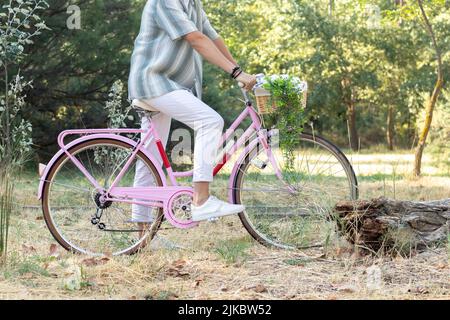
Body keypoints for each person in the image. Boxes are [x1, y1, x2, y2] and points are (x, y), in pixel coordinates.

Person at [128, 0, 257, 223]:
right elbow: (196, 39)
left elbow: (212, 38)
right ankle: (201, 200)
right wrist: (236, 73)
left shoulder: (192, 4)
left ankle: (142, 236)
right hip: (154, 81)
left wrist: (241, 73)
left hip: (168, 84)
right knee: (210, 121)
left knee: (149, 158)